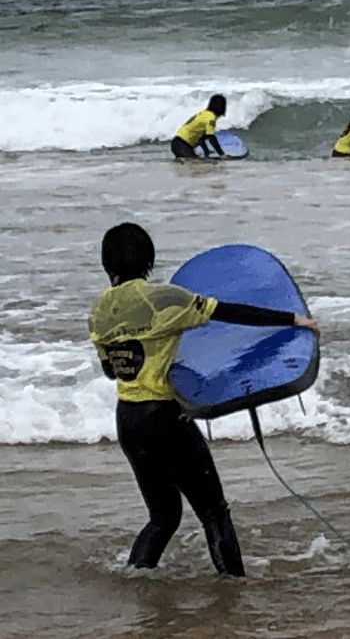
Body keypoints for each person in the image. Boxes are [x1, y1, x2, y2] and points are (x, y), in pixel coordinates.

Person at [88, 223, 320, 577]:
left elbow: (111, 370)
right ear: (148, 260)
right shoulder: (163, 299)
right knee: (213, 511)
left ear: (108, 264)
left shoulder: (99, 311)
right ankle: (233, 590)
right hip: (164, 419)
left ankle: (134, 580)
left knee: (163, 517)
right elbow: (227, 312)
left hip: (129, 422)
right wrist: (293, 319)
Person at [171, 94, 227, 159]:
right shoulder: (211, 118)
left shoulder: (204, 113)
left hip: (177, 143)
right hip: (182, 145)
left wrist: (206, 151)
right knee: (195, 162)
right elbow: (211, 138)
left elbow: (202, 137)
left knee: (195, 162)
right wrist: (222, 154)